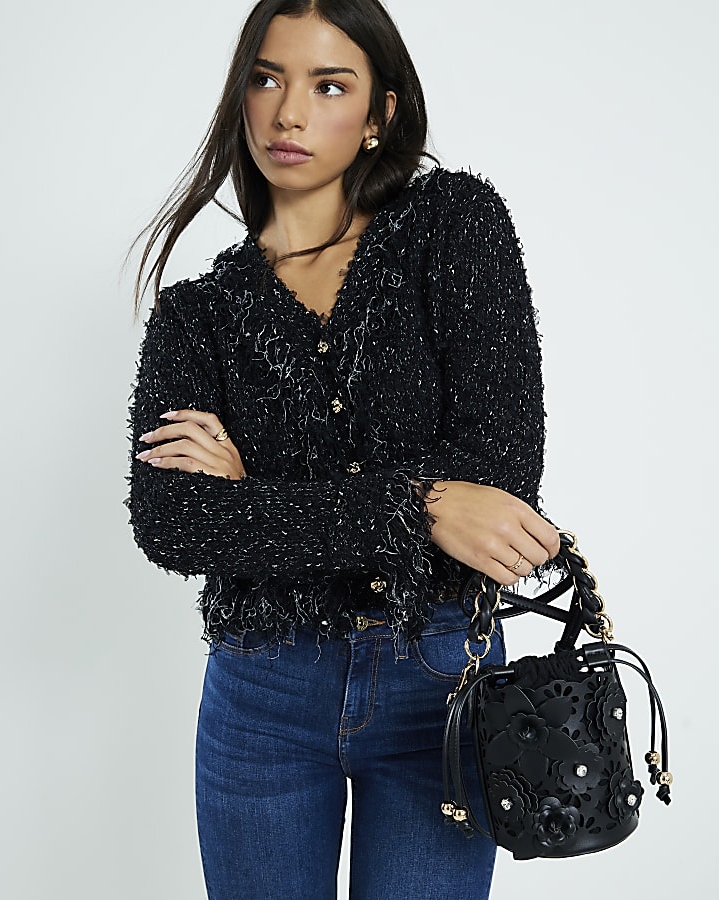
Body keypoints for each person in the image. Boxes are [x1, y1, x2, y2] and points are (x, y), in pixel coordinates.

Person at [127, 1, 560, 897]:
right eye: (267, 78)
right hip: (262, 696)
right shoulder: (195, 315)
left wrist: (255, 494)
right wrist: (423, 503)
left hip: (441, 684)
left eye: (329, 85)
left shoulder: (453, 224)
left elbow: (499, 479)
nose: (289, 113)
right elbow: (174, 523)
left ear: (379, 114)